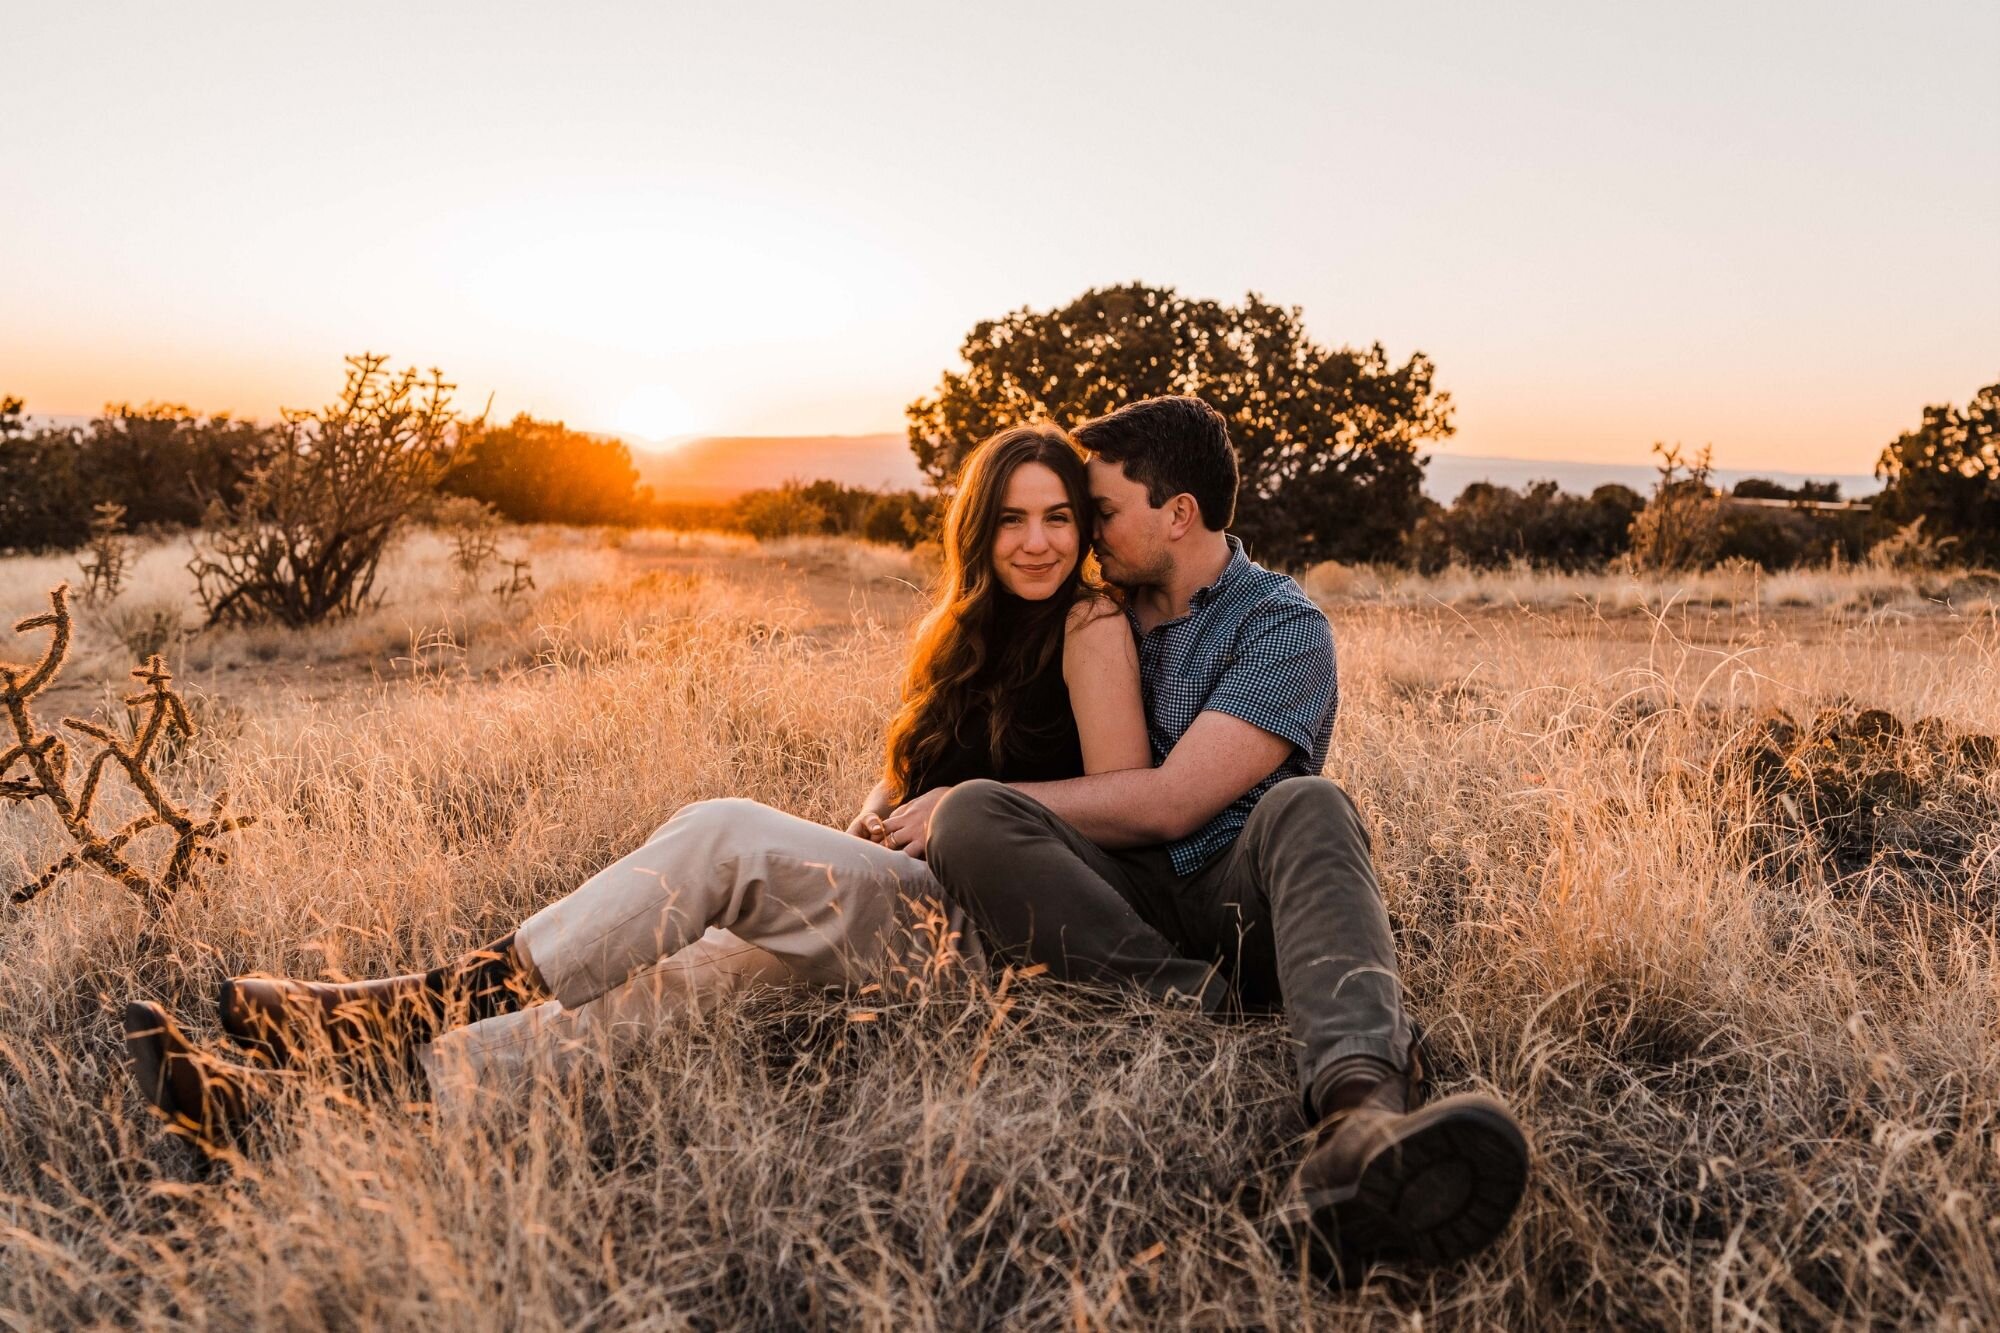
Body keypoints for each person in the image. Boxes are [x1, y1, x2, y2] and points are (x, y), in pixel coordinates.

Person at [121, 423, 1150, 1142]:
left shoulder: (1089, 624)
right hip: (907, 907)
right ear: (979, 526)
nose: (1037, 540)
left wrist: (950, 816)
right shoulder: (963, 632)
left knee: (719, 833)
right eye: (1013, 518)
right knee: (669, 976)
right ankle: (272, 1109)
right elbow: (908, 779)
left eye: (1058, 517)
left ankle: (410, 1004)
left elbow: (1121, 810)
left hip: (985, 929)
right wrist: (879, 815)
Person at [896, 395, 1530, 1275]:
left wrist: (980, 790)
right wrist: (943, 794)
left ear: (1178, 513)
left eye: (1102, 514)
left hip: (1242, 896)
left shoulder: (1279, 626)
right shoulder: (1095, 609)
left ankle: (1361, 1111)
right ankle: (1193, 1005)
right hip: (1115, 899)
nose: (1084, 534)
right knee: (972, 818)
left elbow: (1173, 805)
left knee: (1308, 804)